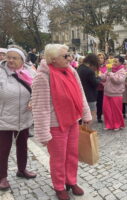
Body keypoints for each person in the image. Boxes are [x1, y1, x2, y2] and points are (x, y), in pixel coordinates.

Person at [31, 44, 92, 200]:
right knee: (58, 158)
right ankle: (59, 186)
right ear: (53, 59)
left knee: (72, 154)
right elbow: (40, 106)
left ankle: (71, 181)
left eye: (69, 55)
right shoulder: (42, 77)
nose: (70, 58)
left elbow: (80, 93)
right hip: (55, 124)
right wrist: (43, 133)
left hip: (72, 120)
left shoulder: (71, 71)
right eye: (65, 56)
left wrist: (85, 113)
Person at [0, 46, 37, 191]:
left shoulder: (29, 72)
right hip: (4, 117)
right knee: (3, 149)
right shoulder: (1, 73)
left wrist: (33, 99)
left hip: (24, 116)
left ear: (22, 60)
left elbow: (38, 89)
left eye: (14, 58)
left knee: (23, 145)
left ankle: (22, 170)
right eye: (8, 57)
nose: (10, 60)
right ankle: (2, 176)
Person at [102, 56, 127, 131]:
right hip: (107, 93)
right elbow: (103, 78)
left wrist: (111, 74)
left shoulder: (123, 71)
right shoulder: (110, 69)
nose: (114, 63)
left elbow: (119, 81)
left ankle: (117, 125)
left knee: (116, 111)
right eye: (114, 61)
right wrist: (102, 74)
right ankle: (108, 125)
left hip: (116, 94)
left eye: (116, 61)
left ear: (121, 63)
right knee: (107, 110)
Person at [77, 54, 101, 122]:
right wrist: (99, 78)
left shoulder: (80, 67)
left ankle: (83, 131)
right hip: (90, 96)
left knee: (82, 116)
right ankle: (88, 131)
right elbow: (95, 83)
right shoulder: (90, 71)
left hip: (81, 95)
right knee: (91, 115)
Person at [96, 53, 107, 123]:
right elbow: (96, 77)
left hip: (106, 88)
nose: (100, 59)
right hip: (98, 88)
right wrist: (102, 83)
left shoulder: (107, 67)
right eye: (99, 58)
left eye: (102, 58)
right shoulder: (95, 67)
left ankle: (106, 116)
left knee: (105, 103)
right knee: (99, 103)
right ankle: (99, 116)